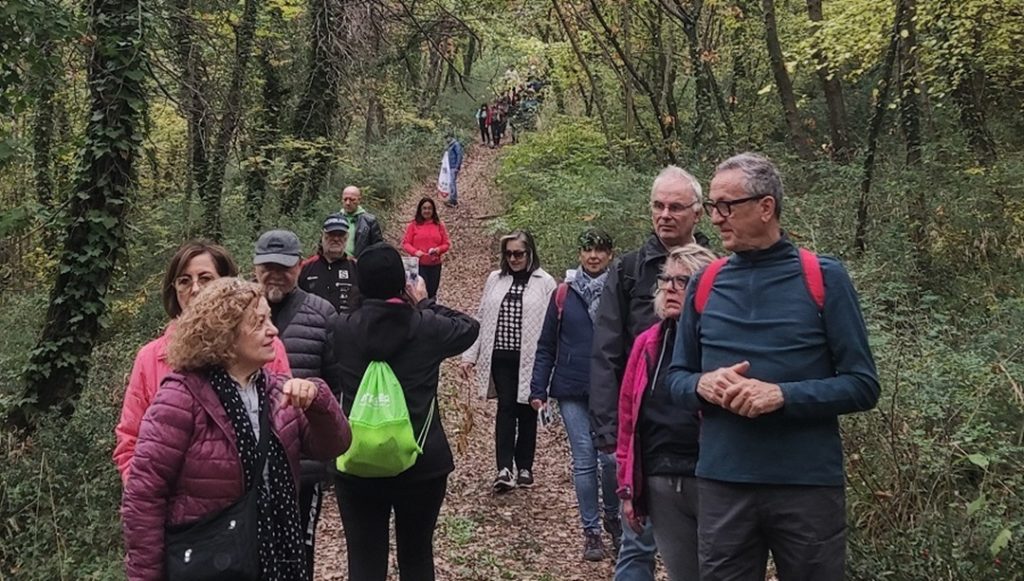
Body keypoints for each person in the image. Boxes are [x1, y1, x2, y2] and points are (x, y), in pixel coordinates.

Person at [667, 153, 880, 580]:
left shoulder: (823, 277)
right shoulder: (706, 282)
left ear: (766, 207)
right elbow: (675, 380)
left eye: (727, 206)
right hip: (724, 484)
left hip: (806, 487)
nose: (716, 217)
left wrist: (783, 395)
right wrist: (702, 385)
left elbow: (862, 385)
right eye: (712, 206)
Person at [121, 277, 351, 581]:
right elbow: (144, 494)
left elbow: (334, 446)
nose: (273, 330)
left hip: (276, 557)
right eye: (258, 323)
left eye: (269, 319)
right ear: (225, 335)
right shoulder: (180, 398)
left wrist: (318, 401)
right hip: (207, 563)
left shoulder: (277, 391)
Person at [328, 242, 479, 580]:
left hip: (357, 460)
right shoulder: (428, 327)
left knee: (364, 561)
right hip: (422, 462)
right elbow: (469, 327)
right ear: (403, 281)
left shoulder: (340, 328)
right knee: (417, 556)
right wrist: (424, 301)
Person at [589, 165, 707, 579]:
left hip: (703, 437)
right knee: (637, 543)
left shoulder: (717, 270)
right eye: (658, 206)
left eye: (676, 207)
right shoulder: (629, 269)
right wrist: (608, 431)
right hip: (643, 434)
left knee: (709, 555)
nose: (665, 215)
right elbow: (606, 352)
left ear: (698, 213)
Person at [113, 240, 291, 485]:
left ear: (227, 285)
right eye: (184, 281)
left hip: (257, 492)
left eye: (206, 279)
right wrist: (144, 490)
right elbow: (130, 438)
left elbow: (287, 424)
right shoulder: (151, 357)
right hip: (175, 500)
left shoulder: (267, 347)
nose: (195, 289)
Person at [617, 244, 717, 580]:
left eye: (683, 281)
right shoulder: (648, 343)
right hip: (660, 479)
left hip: (713, 478)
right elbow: (628, 419)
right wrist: (628, 488)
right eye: (666, 280)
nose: (670, 288)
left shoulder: (720, 341)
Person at [529, 228, 619, 561]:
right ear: (579, 253)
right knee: (583, 461)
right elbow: (546, 344)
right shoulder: (564, 293)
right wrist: (538, 388)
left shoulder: (619, 291)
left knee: (611, 460)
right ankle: (591, 531)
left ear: (610, 254)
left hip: (610, 388)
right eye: (588, 250)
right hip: (571, 388)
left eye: (600, 250)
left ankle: (613, 516)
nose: (593, 256)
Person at [254, 228, 339, 576]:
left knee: (299, 556)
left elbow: (335, 389)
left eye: (284, 267)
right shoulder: (234, 315)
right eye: (268, 267)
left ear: (300, 266)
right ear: (255, 267)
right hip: (247, 465)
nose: (275, 275)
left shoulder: (322, 314)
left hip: (303, 465)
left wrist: (329, 456)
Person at [460, 230, 557, 492]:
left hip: (531, 358)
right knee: (506, 408)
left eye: (518, 253)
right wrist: (470, 356)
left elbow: (553, 325)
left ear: (530, 253)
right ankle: (503, 467)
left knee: (527, 408)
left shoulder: (545, 282)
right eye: (509, 254)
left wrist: (553, 361)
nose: (513, 258)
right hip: (500, 356)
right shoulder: (495, 279)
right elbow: (481, 317)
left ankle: (524, 465)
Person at [300, 213, 360, 313]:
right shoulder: (305, 267)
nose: (336, 239)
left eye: (340, 235)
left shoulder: (358, 268)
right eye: (331, 234)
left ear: (346, 237)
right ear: (322, 236)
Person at [401, 197, 451, 298]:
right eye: (424, 208)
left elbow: (446, 244)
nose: (427, 211)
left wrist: (438, 250)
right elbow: (406, 243)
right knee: (419, 293)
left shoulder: (439, 225)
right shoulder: (413, 225)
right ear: (420, 210)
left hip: (434, 265)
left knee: (432, 292)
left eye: (429, 208)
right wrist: (415, 252)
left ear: (433, 210)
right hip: (418, 265)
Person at [340, 185, 384, 256]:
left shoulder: (369, 221)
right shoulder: (335, 219)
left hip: (361, 261)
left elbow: (378, 248)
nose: (348, 203)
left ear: (359, 200)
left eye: (352, 200)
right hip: (337, 261)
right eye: (345, 199)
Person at [443, 133, 464, 208]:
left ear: (451, 137)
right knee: (451, 183)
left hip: (453, 167)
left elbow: (459, 155)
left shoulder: (456, 145)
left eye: (447, 137)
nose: (446, 139)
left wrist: (457, 166)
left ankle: (453, 200)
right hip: (450, 166)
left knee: (452, 183)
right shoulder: (450, 146)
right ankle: (451, 198)